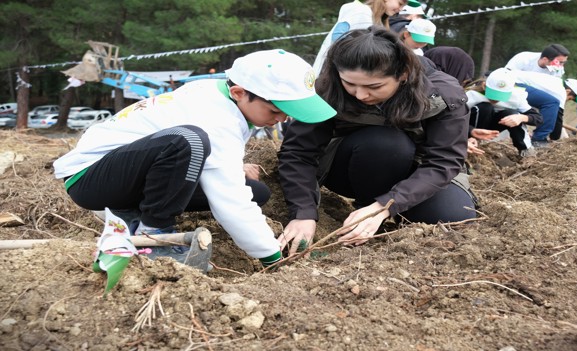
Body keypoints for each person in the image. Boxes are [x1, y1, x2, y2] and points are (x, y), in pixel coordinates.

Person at [52, 49, 337, 268]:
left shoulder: (221, 96)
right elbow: (231, 203)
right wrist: (271, 257)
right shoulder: (214, 116)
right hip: (90, 178)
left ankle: (133, 214)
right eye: (276, 111)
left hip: (126, 173)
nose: (283, 118)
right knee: (189, 141)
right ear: (239, 93)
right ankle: (155, 237)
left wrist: (233, 169)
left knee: (255, 191)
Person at [278, 27, 478, 253]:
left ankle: (381, 214)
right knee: (386, 143)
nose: (360, 95)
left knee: (454, 217)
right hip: (351, 165)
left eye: (374, 86)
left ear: (403, 74)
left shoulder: (443, 94)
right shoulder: (328, 86)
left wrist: (386, 206)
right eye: (350, 84)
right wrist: (303, 212)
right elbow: (298, 152)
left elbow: (444, 161)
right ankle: (363, 209)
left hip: (416, 173)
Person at [312, 0, 408, 74]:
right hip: (332, 71)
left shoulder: (380, 22)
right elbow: (338, 36)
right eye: (400, 3)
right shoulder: (362, 11)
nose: (400, 9)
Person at [465, 68, 542, 158]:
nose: (496, 99)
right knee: (486, 107)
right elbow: (454, 118)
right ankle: (469, 141)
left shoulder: (517, 97)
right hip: (471, 126)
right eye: (493, 94)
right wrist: (469, 132)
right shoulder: (471, 95)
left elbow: (538, 118)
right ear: (484, 86)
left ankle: (526, 151)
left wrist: (521, 118)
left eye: (501, 96)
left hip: (494, 125)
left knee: (513, 114)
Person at [504, 44, 571, 147]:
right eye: (560, 62)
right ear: (544, 59)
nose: (561, 66)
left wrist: (556, 130)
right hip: (512, 85)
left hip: (533, 91)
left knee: (552, 103)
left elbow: (553, 92)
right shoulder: (523, 58)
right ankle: (539, 139)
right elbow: (505, 76)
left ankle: (542, 135)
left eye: (563, 63)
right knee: (551, 102)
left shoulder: (557, 70)